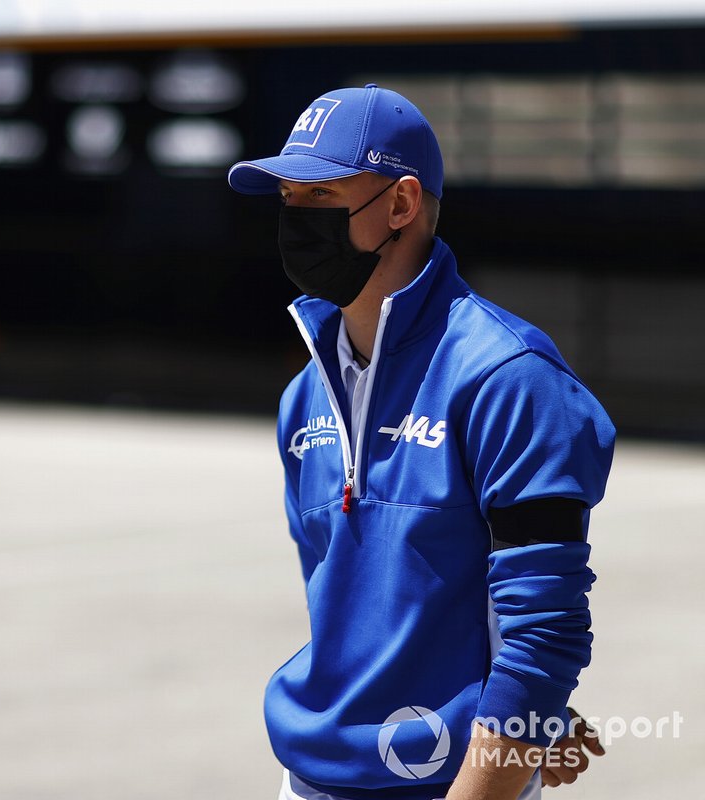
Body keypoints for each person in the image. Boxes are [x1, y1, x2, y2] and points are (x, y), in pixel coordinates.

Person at [227, 84, 615, 800]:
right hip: (309, 776)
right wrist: (538, 715)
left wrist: (518, 725)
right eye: (288, 199)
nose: (295, 220)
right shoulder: (305, 393)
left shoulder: (508, 377)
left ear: (401, 205)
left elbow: (545, 631)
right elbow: (364, 605)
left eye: (320, 195)